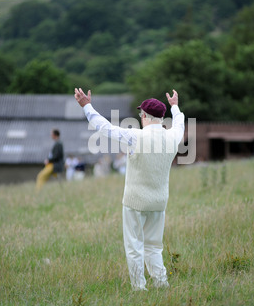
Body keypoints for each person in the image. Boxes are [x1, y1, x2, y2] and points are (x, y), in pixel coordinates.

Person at [74, 87, 185, 291]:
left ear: (144, 116)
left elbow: (105, 128)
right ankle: (161, 284)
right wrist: (175, 108)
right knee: (154, 247)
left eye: (141, 114)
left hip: (135, 201)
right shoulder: (172, 138)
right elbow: (179, 124)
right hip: (159, 202)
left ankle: (139, 288)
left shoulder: (135, 136)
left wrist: (86, 106)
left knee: (135, 247)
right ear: (161, 117)